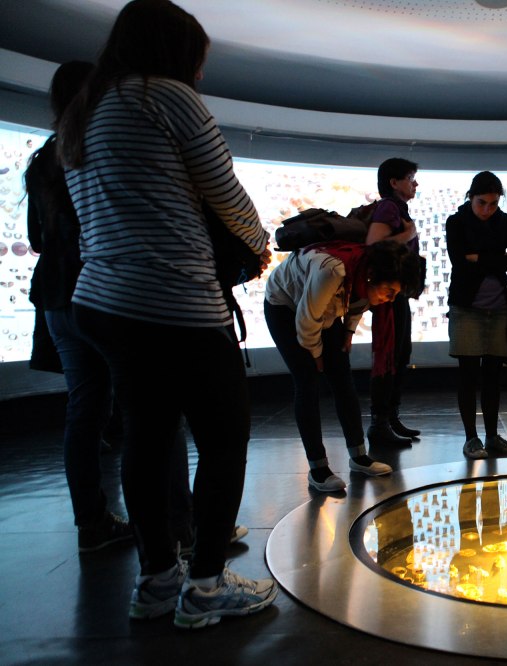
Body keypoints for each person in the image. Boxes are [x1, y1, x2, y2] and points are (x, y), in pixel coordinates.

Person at [57, 0, 276, 628]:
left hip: (103, 301)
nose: (199, 76)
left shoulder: (82, 109)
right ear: (172, 53)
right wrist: (258, 244)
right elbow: (226, 191)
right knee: (225, 439)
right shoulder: (164, 95)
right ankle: (205, 588)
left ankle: (156, 584)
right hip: (175, 301)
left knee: (147, 442)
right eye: (196, 61)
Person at [24, 60, 134, 552]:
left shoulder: (44, 158)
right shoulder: (97, 150)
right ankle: (173, 523)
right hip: (101, 292)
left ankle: (92, 521)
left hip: (55, 296)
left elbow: (35, 238)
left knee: (83, 410)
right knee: (143, 406)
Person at [264, 240, 413, 487]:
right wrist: (316, 355)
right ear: (373, 277)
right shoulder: (331, 272)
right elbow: (307, 321)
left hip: (321, 310)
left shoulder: (363, 271)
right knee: (307, 382)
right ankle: (318, 469)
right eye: (389, 291)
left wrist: (348, 332)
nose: (390, 299)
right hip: (286, 306)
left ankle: (359, 456)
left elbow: (357, 302)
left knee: (343, 379)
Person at [445, 171, 507, 459]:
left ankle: (491, 436)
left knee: (493, 375)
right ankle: (471, 438)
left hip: (500, 306)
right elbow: (458, 262)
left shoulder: (505, 221)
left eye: (493, 203)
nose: (488, 210)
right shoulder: (456, 221)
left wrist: (478, 257)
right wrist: (495, 259)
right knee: (468, 374)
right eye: (482, 203)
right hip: (466, 307)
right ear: (471, 197)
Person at [365, 157, 422, 447]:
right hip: (388, 295)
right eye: (411, 178)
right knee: (389, 354)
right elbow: (373, 246)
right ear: (394, 182)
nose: (415, 183)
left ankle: (390, 417)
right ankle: (380, 423)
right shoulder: (388, 207)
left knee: (400, 354)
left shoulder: (398, 208)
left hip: (397, 293)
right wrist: (407, 234)